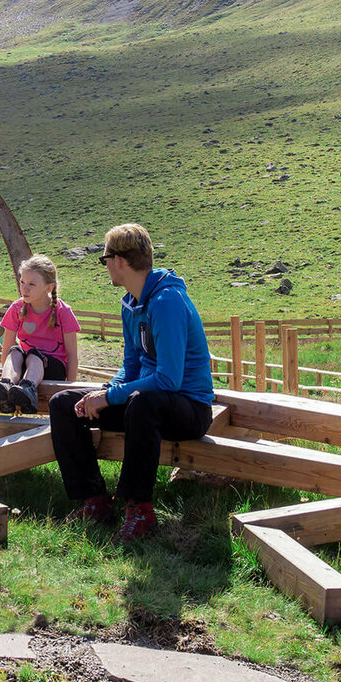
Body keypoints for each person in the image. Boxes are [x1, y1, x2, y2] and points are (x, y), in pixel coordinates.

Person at [49, 223, 215, 542]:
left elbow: (168, 378)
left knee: (140, 402)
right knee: (64, 404)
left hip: (188, 408)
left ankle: (139, 509)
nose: (106, 265)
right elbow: (133, 364)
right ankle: (94, 501)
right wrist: (105, 394)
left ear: (120, 261)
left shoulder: (166, 302)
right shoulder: (131, 302)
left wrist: (112, 399)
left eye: (105, 258)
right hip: (147, 401)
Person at [0, 254, 79, 414]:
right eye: (22, 282)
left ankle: (28, 390)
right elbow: (7, 348)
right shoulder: (16, 308)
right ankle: (8, 387)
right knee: (15, 352)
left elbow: (72, 354)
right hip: (24, 366)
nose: (24, 288)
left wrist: (70, 389)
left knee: (33, 355)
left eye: (31, 284)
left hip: (53, 368)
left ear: (48, 287)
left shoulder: (62, 311)